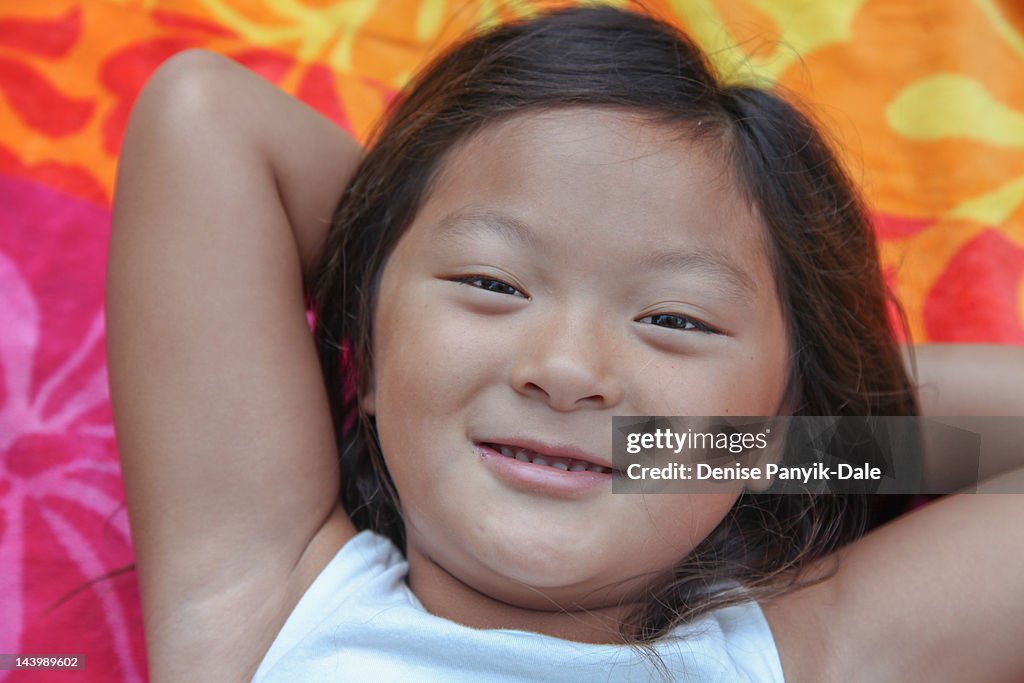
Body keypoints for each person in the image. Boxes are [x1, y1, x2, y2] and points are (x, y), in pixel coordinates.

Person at [106, 6, 1024, 681]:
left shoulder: (807, 654)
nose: (567, 371)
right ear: (370, 352)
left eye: (676, 320)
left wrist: (799, 410)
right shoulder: (265, 611)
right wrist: (408, 249)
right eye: (492, 283)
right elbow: (205, 115)